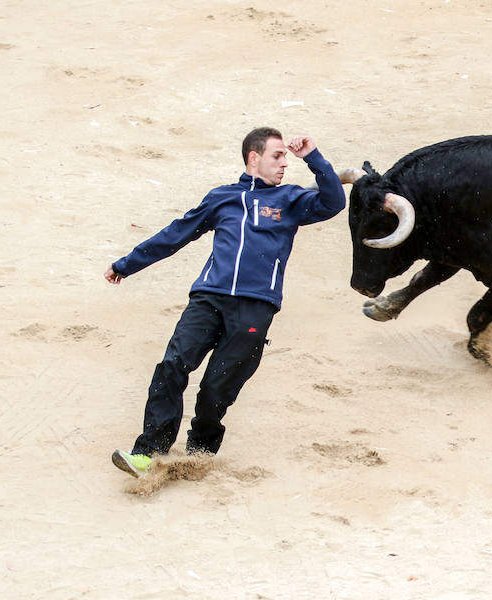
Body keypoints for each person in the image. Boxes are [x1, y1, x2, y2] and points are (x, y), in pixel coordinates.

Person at [105, 127, 345, 478]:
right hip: (208, 299)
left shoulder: (291, 200)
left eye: (285, 157)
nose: (284, 164)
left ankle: (199, 453)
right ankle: (149, 452)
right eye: (277, 156)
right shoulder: (222, 198)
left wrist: (313, 156)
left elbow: (333, 202)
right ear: (254, 158)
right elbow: (176, 234)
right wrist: (127, 265)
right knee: (172, 366)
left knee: (217, 387)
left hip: (255, 307)